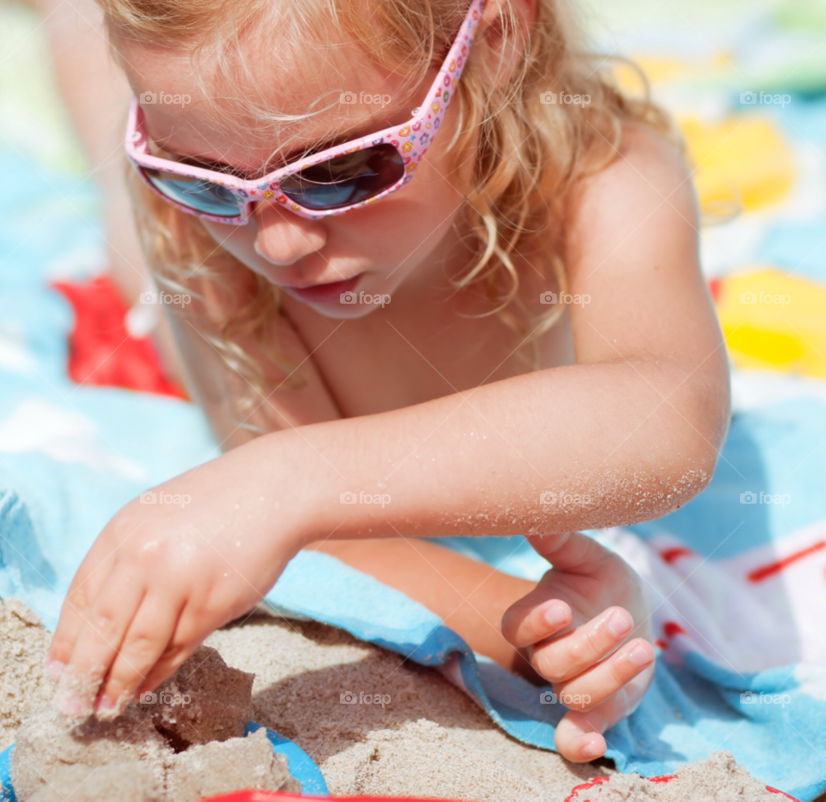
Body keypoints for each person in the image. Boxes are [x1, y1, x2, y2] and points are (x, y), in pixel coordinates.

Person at [42, 0, 731, 763]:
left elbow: (668, 415)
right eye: (200, 178)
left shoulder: (600, 175)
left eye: (338, 170)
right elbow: (326, 535)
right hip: (164, 285)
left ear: (495, 42)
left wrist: (288, 476)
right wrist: (530, 626)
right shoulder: (193, 231)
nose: (277, 242)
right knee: (110, 156)